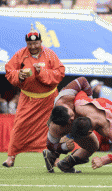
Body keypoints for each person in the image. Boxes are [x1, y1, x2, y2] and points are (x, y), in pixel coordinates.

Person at [3, 24, 65, 167]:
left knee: (52, 128)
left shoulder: (50, 54)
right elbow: (9, 71)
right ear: (27, 43)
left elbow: (60, 73)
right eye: (30, 43)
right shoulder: (20, 55)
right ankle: (11, 157)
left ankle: (54, 158)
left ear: (41, 42)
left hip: (49, 99)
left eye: (36, 43)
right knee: (19, 126)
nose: (33, 46)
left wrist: (42, 72)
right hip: (28, 99)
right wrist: (19, 75)